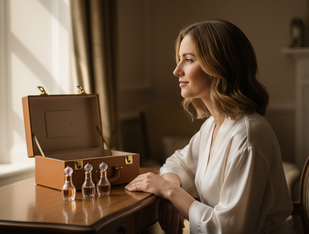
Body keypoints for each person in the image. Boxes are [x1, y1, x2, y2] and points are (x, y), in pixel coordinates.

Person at [125, 20, 293, 234]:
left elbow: (230, 230)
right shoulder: (212, 126)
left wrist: (169, 191)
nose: (177, 71)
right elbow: (178, 163)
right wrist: (171, 191)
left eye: (188, 60)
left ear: (219, 65)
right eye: (179, 60)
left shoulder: (248, 137)